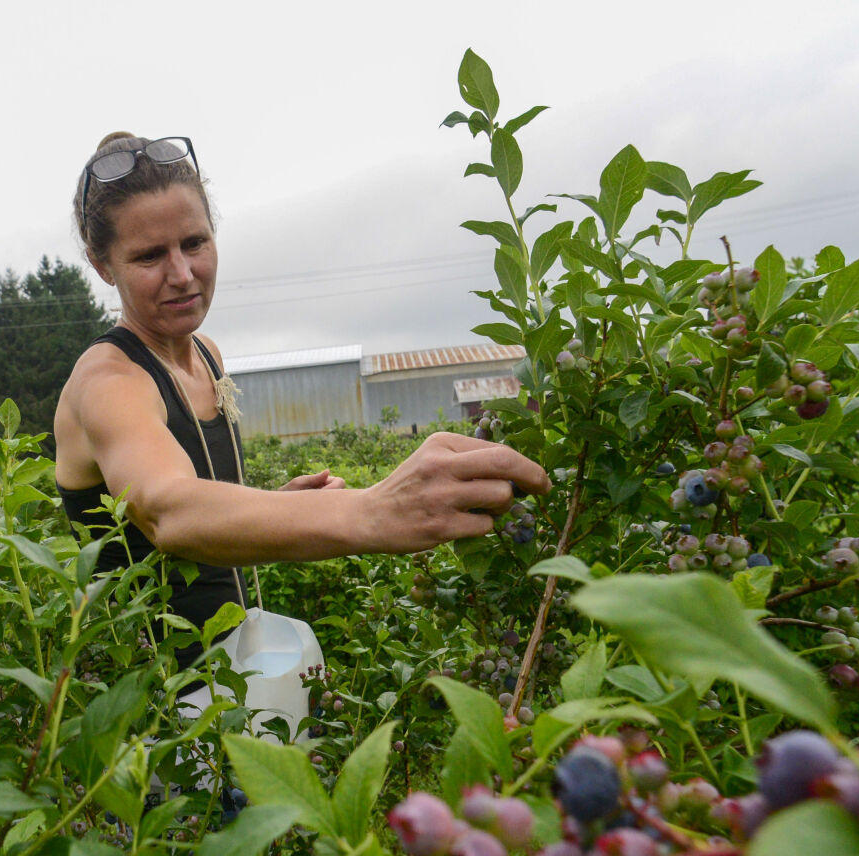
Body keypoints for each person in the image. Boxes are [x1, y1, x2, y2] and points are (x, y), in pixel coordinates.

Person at [54, 132, 550, 648]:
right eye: (150, 256)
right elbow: (169, 510)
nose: (182, 274)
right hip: (155, 704)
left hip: (235, 670)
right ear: (101, 264)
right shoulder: (110, 383)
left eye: (195, 243)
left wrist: (272, 507)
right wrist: (372, 509)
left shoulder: (205, 354)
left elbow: (202, 503)